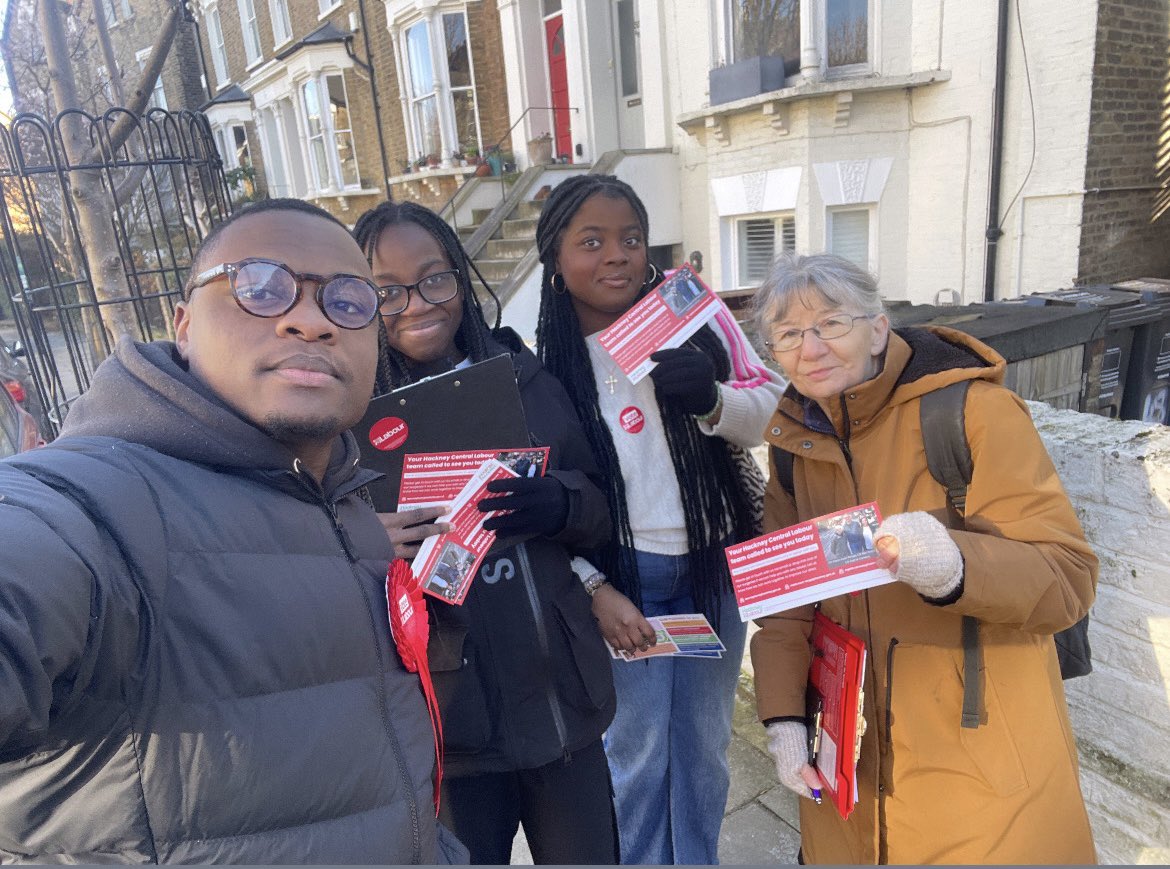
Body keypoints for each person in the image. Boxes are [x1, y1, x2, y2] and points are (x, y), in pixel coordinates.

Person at [0, 199, 466, 864]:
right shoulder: (91, 507)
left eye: (349, 300)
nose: (310, 319)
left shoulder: (345, 506)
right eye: (260, 286)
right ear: (184, 324)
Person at [750, 252, 1097, 864]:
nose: (811, 348)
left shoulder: (969, 414)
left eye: (831, 323)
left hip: (977, 759)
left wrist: (955, 565)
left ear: (878, 327)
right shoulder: (792, 447)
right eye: (788, 334)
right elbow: (787, 602)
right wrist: (782, 717)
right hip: (846, 761)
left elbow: (1068, 579)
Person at [352, 201, 619, 865]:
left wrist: (557, 503)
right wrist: (361, 539)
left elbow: (597, 506)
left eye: (434, 278)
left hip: (562, 703)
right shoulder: (349, 418)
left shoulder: (525, 380)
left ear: (461, 279)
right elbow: (305, 560)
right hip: (454, 721)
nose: (417, 303)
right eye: (387, 289)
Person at [532, 174, 785, 865]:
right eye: (591, 241)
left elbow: (778, 408)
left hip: (712, 569)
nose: (615, 254)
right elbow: (541, 502)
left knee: (704, 747)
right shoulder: (544, 369)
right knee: (637, 755)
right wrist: (589, 585)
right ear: (555, 257)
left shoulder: (692, 320)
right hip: (626, 582)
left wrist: (712, 398)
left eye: (630, 239)